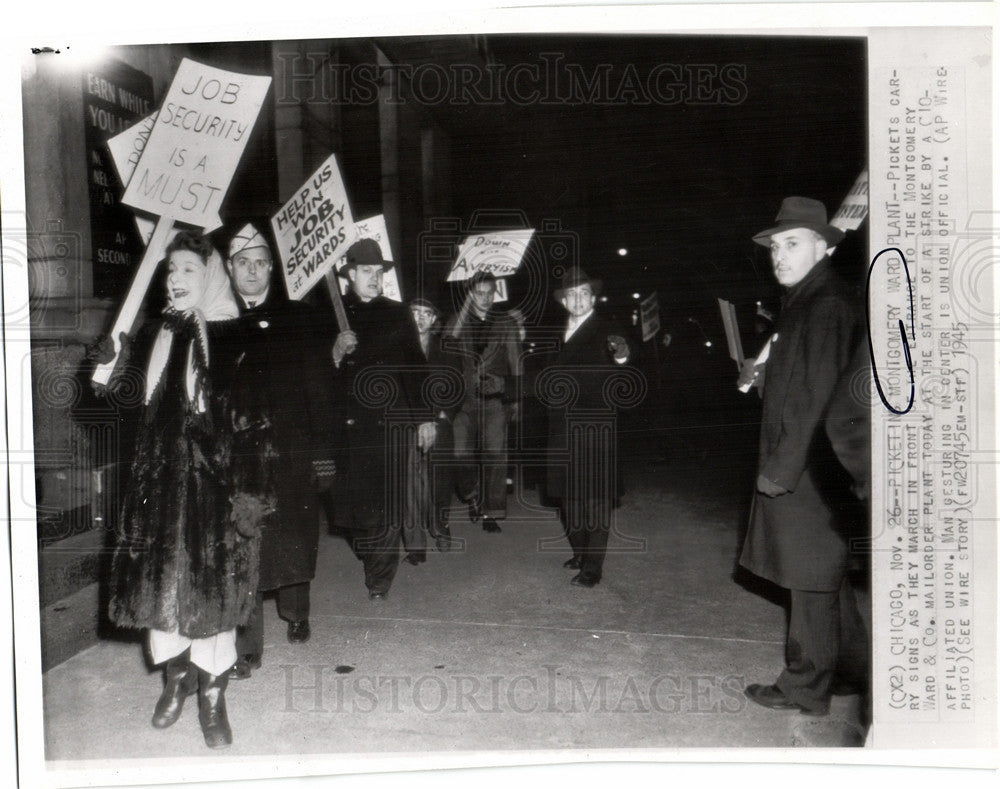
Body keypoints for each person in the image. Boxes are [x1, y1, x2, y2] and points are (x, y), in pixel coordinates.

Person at [103, 230, 274, 749]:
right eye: (171, 271)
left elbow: (256, 428)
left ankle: (212, 698)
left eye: (188, 271)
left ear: (211, 276)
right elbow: (117, 419)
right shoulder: (156, 334)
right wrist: (110, 366)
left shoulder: (237, 339)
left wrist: (251, 497)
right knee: (163, 600)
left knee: (214, 603)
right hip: (157, 495)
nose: (176, 280)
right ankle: (175, 681)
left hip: (213, 499)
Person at [737, 196, 869, 718]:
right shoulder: (808, 301)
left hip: (811, 465)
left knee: (808, 580)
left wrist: (780, 470)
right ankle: (851, 672)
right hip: (817, 465)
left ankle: (804, 687)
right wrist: (761, 372)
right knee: (825, 579)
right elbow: (801, 375)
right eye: (774, 247)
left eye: (791, 244)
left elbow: (816, 396)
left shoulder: (827, 304)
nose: (779, 255)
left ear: (821, 246)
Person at [223, 223, 336, 680]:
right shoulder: (216, 319)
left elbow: (320, 390)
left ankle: (297, 612)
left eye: (260, 262)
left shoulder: (298, 316)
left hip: (291, 451)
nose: (251, 271)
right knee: (243, 546)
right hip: (239, 457)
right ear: (229, 270)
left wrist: (323, 453)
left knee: (292, 539)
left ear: (272, 268)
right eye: (242, 263)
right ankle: (246, 646)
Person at [327, 239, 436, 599]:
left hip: (392, 423)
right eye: (367, 272)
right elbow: (317, 373)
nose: (375, 278)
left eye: (379, 272)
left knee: (387, 502)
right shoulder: (332, 313)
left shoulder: (397, 312)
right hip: (348, 426)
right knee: (356, 508)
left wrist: (425, 418)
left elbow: (415, 370)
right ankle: (369, 551)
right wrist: (336, 353)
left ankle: (379, 581)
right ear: (350, 274)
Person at [542, 267, 630, 587]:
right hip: (562, 429)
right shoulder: (557, 335)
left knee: (594, 500)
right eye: (572, 294)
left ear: (593, 298)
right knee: (570, 500)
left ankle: (593, 568)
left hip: (594, 428)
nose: (577, 299)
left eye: (584, 293)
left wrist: (622, 355)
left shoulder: (608, 329)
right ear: (564, 301)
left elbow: (624, 358)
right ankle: (581, 552)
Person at [446, 271, 523, 533]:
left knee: (495, 456)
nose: (486, 298)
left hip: (494, 401)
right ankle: (471, 494)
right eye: (480, 292)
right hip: (464, 402)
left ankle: (492, 511)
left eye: (491, 292)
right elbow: (444, 356)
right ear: (469, 294)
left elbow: (516, 363)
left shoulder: (506, 323)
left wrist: (515, 398)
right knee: (458, 454)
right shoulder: (456, 322)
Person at [403, 297, 460, 559]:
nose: (421, 318)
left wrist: (444, 414)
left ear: (435, 319)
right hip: (407, 423)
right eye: (415, 312)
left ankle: (441, 526)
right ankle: (415, 544)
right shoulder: (398, 348)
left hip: (438, 423)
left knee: (439, 480)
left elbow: (457, 387)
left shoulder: (447, 349)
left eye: (427, 313)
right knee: (411, 485)